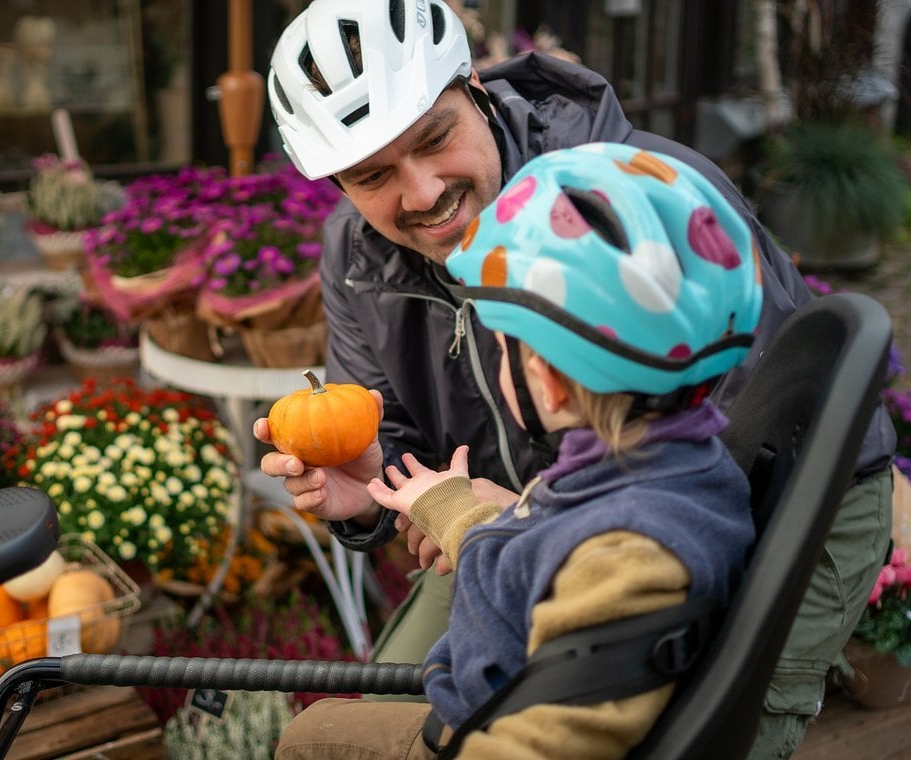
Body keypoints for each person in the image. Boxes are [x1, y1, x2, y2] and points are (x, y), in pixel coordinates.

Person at [255, 2, 895, 756]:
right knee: (402, 691)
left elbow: (712, 447)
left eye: (436, 139)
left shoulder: (640, 198)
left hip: (766, 495)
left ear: (476, 89)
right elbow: (390, 427)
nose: (423, 193)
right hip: (541, 512)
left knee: (702, 733)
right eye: (373, 176)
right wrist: (373, 489)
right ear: (338, 188)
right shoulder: (357, 256)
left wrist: (528, 518)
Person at [276, 142, 763, 759]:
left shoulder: (635, 553)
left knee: (309, 743)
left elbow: (545, 743)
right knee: (313, 731)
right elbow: (545, 556)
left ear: (550, 382)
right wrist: (453, 512)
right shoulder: (644, 469)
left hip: (476, 733)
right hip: (482, 701)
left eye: (502, 343)